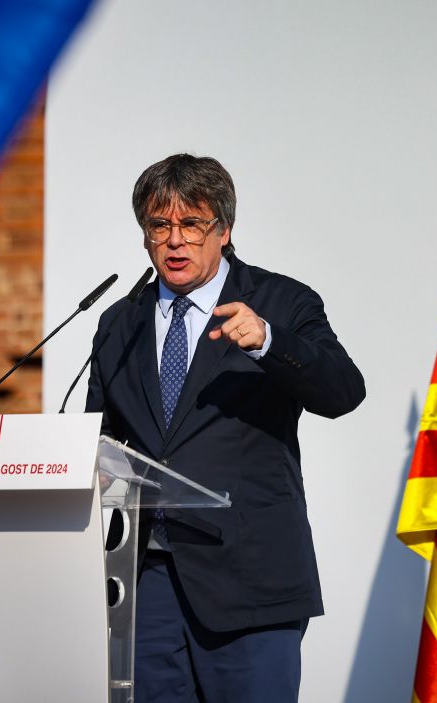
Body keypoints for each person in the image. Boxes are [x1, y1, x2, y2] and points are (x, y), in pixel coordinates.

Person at [85, 154, 365, 702]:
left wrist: (267, 341)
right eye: (160, 225)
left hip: (251, 582)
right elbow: (101, 440)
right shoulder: (119, 322)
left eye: (192, 224)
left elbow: (344, 392)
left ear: (225, 230)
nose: (175, 241)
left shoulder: (281, 302)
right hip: (147, 585)